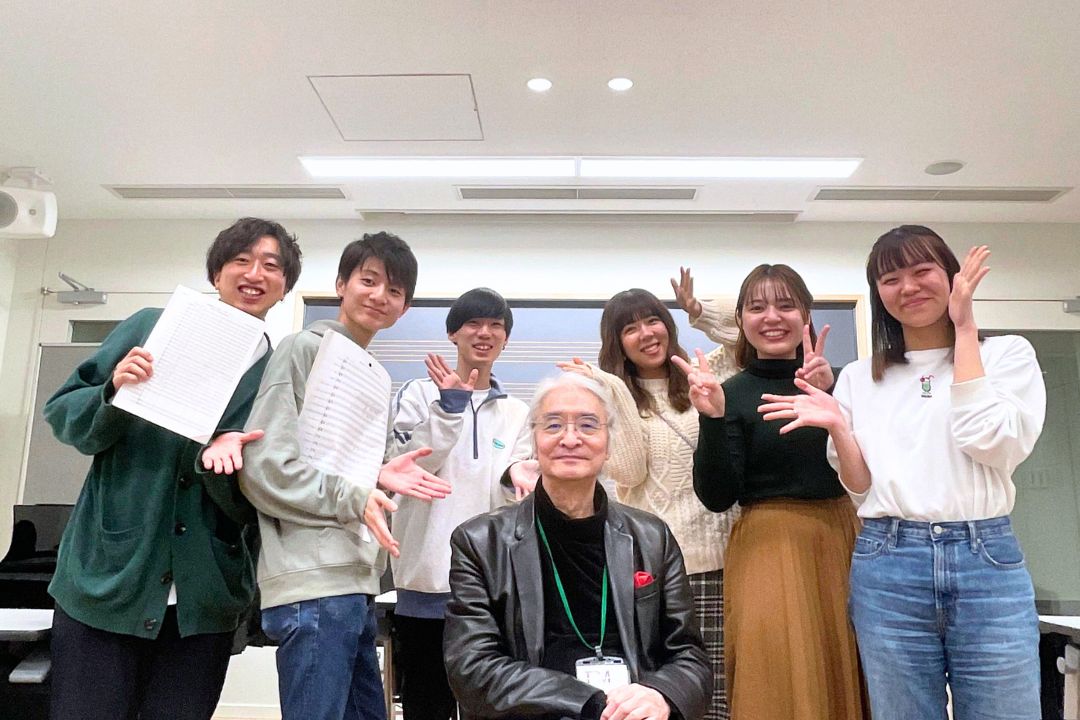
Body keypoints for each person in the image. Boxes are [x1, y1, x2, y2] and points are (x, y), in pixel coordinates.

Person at [758, 226, 1045, 720]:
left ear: (950, 276)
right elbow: (860, 487)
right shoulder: (859, 376)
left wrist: (965, 329)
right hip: (888, 559)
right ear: (879, 294)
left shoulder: (1007, 354)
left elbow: (990, 441)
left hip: (985, 558)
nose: (908, 287)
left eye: (921, 271)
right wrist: (838, 427)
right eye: (890, 279)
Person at [43, 217, 302, 720]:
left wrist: (224, 464)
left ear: (285, 286)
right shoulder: (151, 327)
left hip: (203, 597)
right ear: (216, 273)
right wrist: (113, 390)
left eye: (271, 266)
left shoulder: (276, 373)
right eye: (241, 260)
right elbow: (65, 417)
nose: (254, 274)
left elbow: (261, 500)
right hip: (106, 580)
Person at [238, 232, 453, 720]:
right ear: (341, 284)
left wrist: (378, 476)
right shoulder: (303, 349)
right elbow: (265, 468)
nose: (379, 296)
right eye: (368, 281)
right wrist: (357, 494)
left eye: (394, 291)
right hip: (311, 585)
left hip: (356, 583)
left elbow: (343, 473)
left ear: (404, 307)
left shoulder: (375, 373)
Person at [444, 372, 712, 720]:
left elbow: (690, 656)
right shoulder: (480, 542)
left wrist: (659, 695)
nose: (570, 439)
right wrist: (589, 703)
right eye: (553, 425)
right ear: (535, 440)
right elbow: (472, 667)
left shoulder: (652, 537)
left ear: (608, 443)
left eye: (588, 425)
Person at [680, 264, 867, 719]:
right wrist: (712, 418)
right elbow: (717, 497)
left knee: (847, 664)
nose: (772, 317)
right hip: (767, 545)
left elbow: (872, 471)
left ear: (806, 315)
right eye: (757, 307)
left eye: (786, 305)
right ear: (740, 319)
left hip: (844, 538)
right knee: (773, 672)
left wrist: (834, 397)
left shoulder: (847, 384)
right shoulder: (730, 392)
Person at [556, 275, 737, 719]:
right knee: (666, 693)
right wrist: (616, 389)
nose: (646, 333)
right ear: (616, 343)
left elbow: (749, 333)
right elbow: (629, 470)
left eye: (652, 320)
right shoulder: (610, 399)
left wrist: (699, 311)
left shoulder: (705, 373)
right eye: (630, 328)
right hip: (656, 569)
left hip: (726, 562)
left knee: (726, 691)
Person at [386, 287, 532, 720]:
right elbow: (409, 468)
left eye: (496, 326)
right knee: (425, 706)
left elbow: (517, 480)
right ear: (453, 334)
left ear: (506, 339)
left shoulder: (519, 413)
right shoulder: (418, 394)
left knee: (489, 707)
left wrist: (514, 474)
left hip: (493, 586)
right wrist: (449, 407)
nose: (484, 333)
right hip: (425, 579)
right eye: (473, 323)